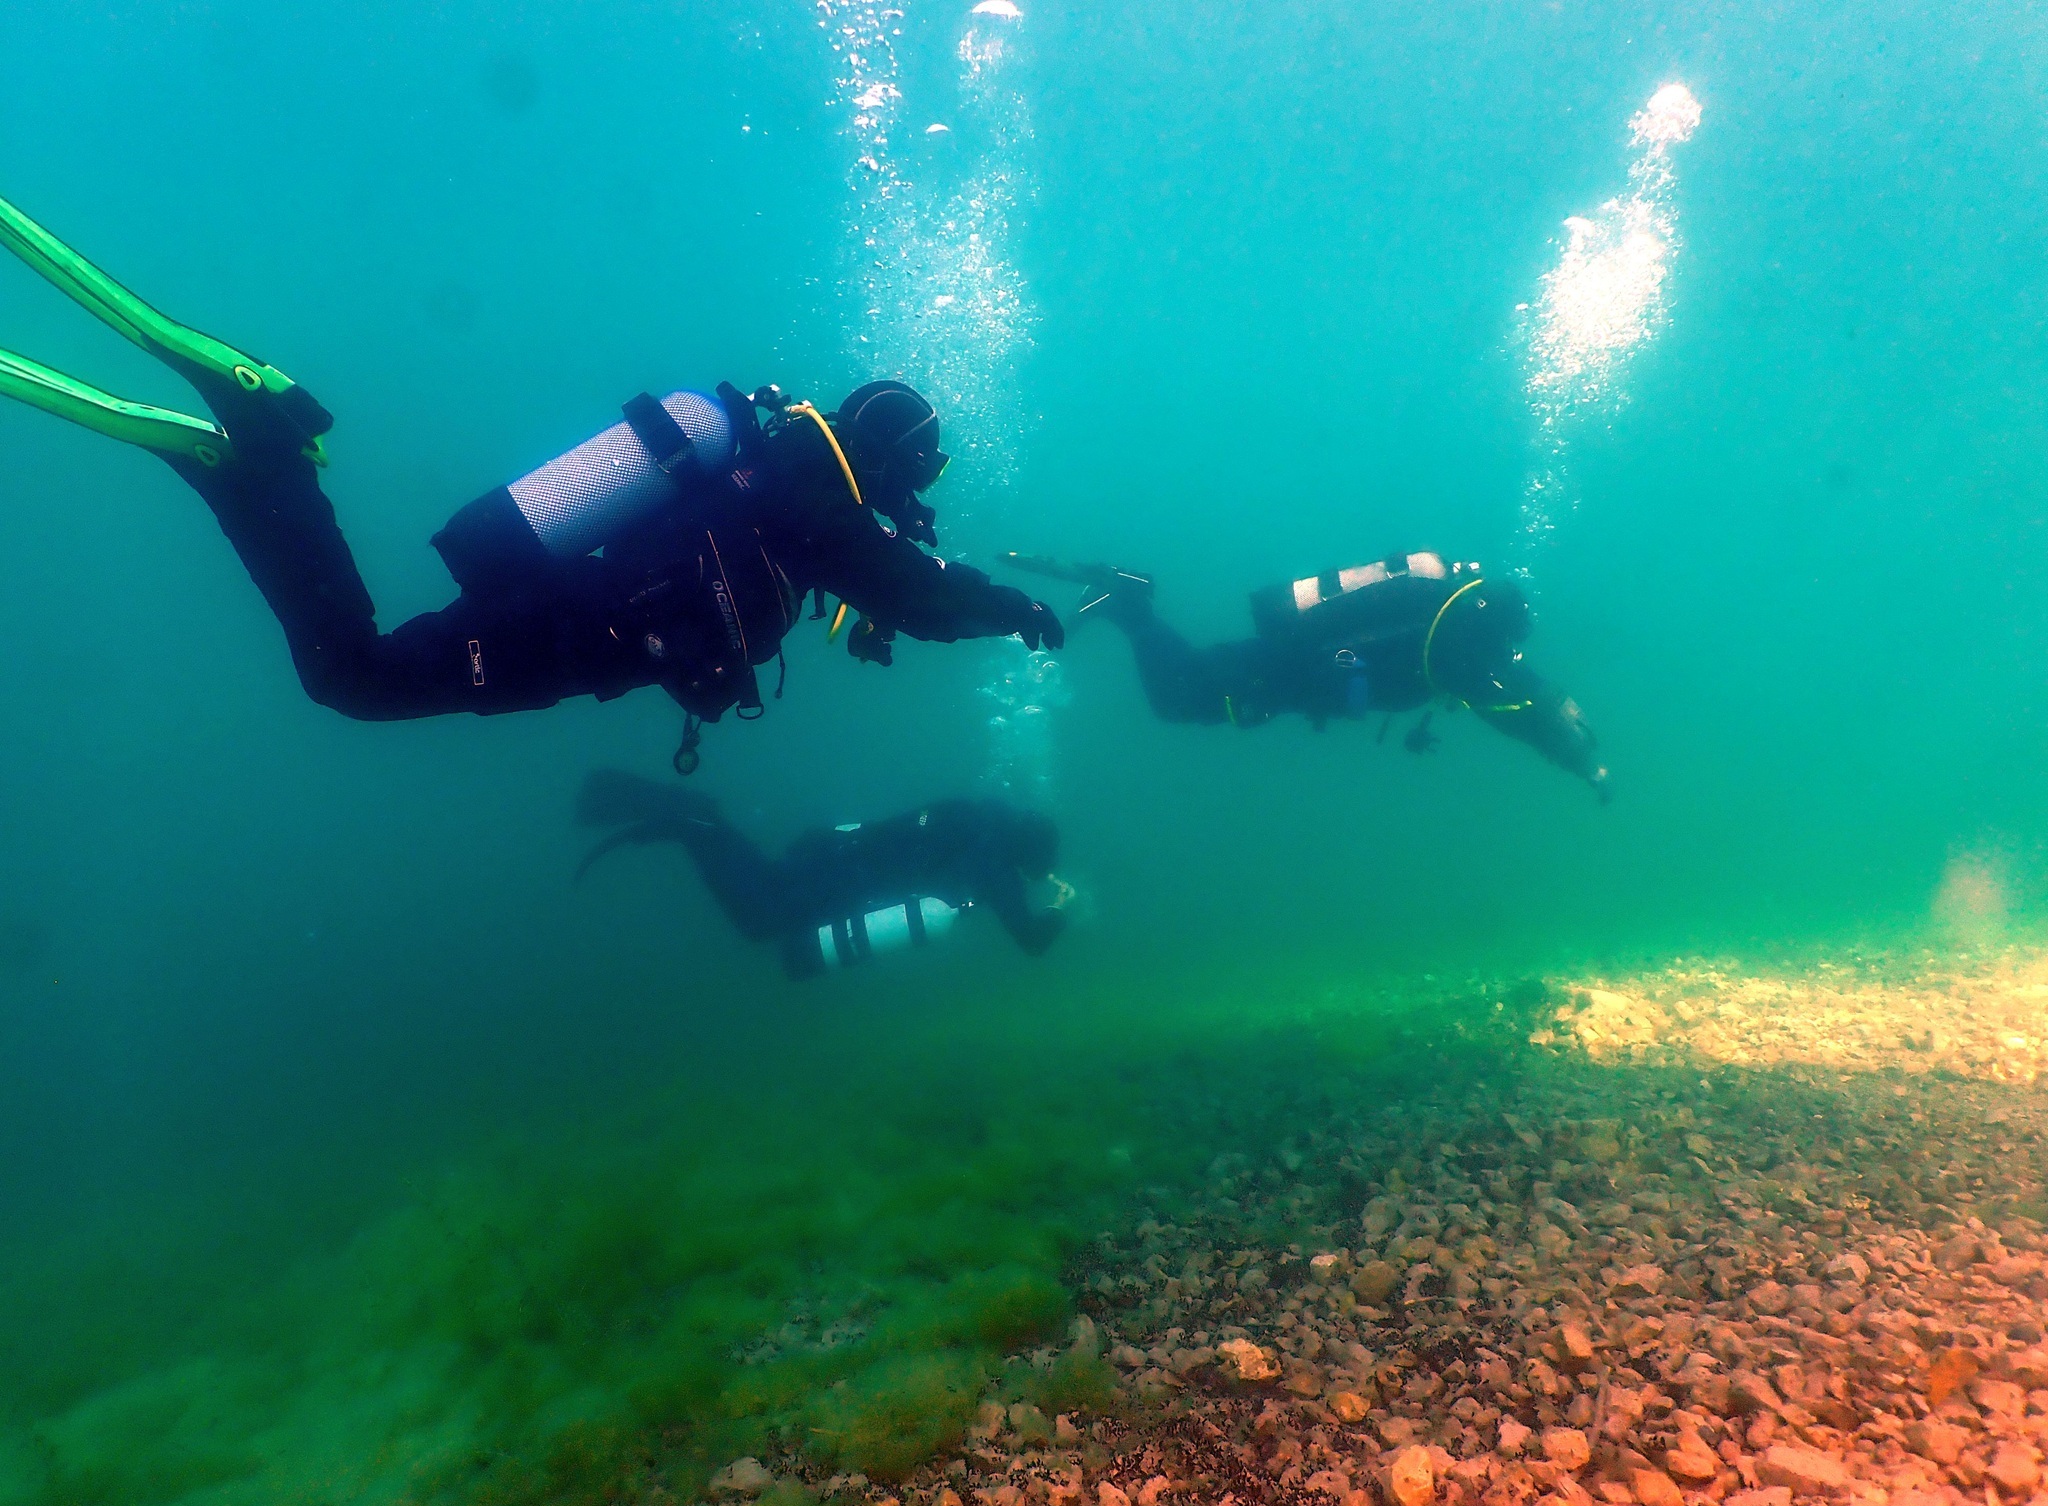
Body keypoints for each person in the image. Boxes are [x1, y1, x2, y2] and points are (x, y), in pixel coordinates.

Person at [0, 194, 1062, 768]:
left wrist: (882, 612)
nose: (917, 495)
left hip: (569, 609)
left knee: (356, 673)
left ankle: (245, 467)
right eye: (921, 471)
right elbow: (914, 592)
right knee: (354, 678)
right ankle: (256, 450)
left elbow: (868, 580)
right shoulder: (808, 494)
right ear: (888, 456)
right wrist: (1015, 610)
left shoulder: (780, 472)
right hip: (569, 626)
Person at [1004, 551, 1611, 800]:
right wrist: (1580, 760)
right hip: (1286, 672)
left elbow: (1506, 697)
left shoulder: (1452, 630)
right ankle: (1128, 602)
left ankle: (1127, 605)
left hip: (1292, 671)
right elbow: (1509, 711)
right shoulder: (1460, 649)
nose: (1505, 655)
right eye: (1506, 643)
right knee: (1176, 696)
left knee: (1183, 689)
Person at [575, 770, 1071, 977]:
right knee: (759, 919)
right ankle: (695, 820)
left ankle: (691, 820)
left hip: (837, 851)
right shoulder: (996, 860)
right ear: (1029, 853)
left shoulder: (981, 818)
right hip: (849, 880)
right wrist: (1061, 908)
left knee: (763, 900)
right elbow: (1031, 940)